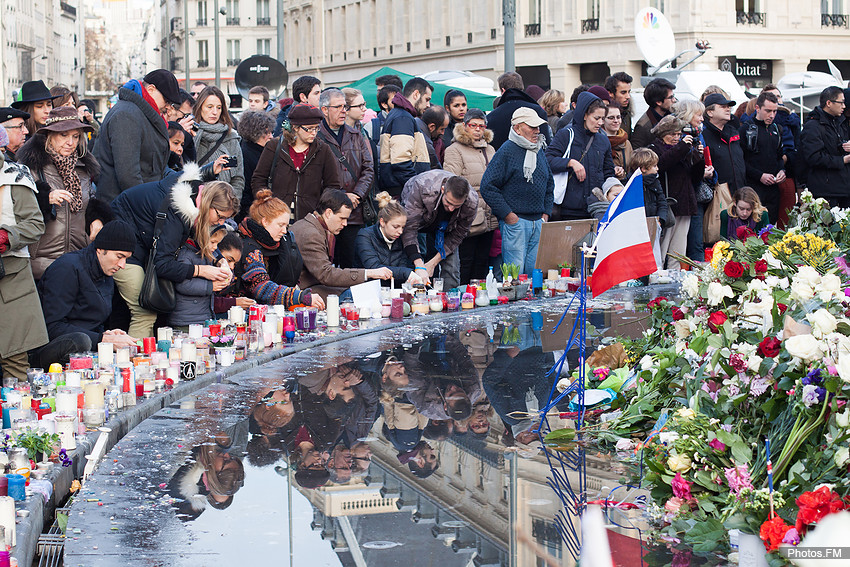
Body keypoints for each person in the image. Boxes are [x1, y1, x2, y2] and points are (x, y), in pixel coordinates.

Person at [110, 166, 235, 338]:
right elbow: (162, 264)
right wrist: (201, 270)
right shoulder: (178, 210)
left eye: (225, 219)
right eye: (220, 216)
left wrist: (220, 261)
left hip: (143, 242)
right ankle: (135, 361)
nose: (220, 222)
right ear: (208, 204)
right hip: (121, 246)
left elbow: (203, 240)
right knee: (144, 312)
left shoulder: (196, 196)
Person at [35, 220, 139, 368]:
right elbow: (51, 326)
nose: (122, 265)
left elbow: (93, 323)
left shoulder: (106, 273)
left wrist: (108, 335)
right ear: (100, 249)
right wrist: (103, 339)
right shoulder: (67, 268)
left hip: (86, 349)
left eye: (126, 259)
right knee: (81, 340)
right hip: (49, 351)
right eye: (119, 256)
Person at [17, 107, 99, 280]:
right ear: (49, 136)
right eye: (64, 135)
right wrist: (44, 199)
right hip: (42, 264)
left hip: (78, 261)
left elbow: (90, 201)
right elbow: (16, 209)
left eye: (75, 136)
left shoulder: (83, 169)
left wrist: (97, 219)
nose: (70, 142)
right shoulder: (31, 168)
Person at [481, 108, 553, 275]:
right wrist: (508, 215)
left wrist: (545, 214)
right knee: (515, 275)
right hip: (516, 222)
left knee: (535, 273)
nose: (537, 131)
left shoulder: (538, 149)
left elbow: (549, 184)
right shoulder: (507, 151)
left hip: (538, 222)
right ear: (517, 128)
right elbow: (488, 186)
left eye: (538, 127)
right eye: (532, 127)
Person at [93, 69, 181, 202]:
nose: (168, 107)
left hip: (133, 204)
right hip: (124, 207)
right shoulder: (127, 115)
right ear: (151, 89)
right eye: (167, 100)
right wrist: (147, 205)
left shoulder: (139, 113)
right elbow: (128, 175)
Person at [290, 189, 392, 300]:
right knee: (357, 296)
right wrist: (368, 273)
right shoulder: (311, 234)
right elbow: (326, 274)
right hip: (305, 291)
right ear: (328, 213)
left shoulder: (313, 226)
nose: (345, 224)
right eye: (342, 218)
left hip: (312, 286)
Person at [0, 151, 48, 380]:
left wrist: (7, 237)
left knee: (15, 358)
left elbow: (35, 224)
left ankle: (16, 413)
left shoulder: (13, 177)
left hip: (11, 279)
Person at [251, 104, 341, 221]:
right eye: (309, 129)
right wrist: (268, 203)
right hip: (276, 216)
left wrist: (320, 209)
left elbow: (333, 185)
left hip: (310, 219)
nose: (314, 133)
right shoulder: (274, 146)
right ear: (295, 127)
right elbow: (258, 179)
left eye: (316, 128)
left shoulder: (323, 150)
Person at [318, 88, 374, 269]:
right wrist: (341, 197)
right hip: (327, 212)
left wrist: (357, 195)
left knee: (353, 264)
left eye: (345, 106)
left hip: (354, 212)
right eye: (338, 107)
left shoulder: (356, 135)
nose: (344, 111)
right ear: (325, 110)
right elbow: (316, 175)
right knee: (328, 263)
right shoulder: (316, 136)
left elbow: (368, 169)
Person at [237, 189, 321, 308]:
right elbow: (262, 287)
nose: (284, 231)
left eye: (286, 226)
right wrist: (299, 296)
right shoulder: (250, 248)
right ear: (265, 221)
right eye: (280, 225)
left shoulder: (281, 242)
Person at [443, 108, 498, 283]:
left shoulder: (490, 149)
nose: (477, 129)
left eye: (481, 126)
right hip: (468, 216)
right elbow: (452, 181)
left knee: (482, 263)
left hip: (490, 215)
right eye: (473, 125)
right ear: (465, 126)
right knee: (466, 262)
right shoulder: (455, 150)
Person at [401, 171, 477, 289]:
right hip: (420, 217)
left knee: (452, 269)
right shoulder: (422, 187)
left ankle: (451, 300)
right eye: (448, 203)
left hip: (448, 227)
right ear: (443, 190)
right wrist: (419, 265)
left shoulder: (471, 202)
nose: (451, 208)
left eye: (456, 206)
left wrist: (433, 263)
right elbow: (409, 229)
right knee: (413, 262)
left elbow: (458, 236)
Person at [545, 92, 614, 221]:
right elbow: (547, 160)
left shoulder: (603, 140)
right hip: (569, 209)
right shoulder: (566, 135)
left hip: (597, 208)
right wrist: (570, 163)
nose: (600, 123)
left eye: (603, 119)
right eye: (596, 118)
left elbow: (608, 172)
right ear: (584, 115)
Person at [647, 115, 704, 269]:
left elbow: (696, 176)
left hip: (684, 203)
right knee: (661, 247)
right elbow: (663, 163)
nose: (676, 138)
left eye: (679, 134)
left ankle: (675, 277)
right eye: (672, 134)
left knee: (678, 250)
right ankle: (657, 276)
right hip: (667, 204)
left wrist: (699, 157)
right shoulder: (654, 148)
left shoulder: (682, 148)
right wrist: (682, 148)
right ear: (662, 133)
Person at [673, 99, 714, 262]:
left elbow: (703, 159)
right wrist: (699, 172)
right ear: (688, 115)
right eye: (699, 115)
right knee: (680, 244)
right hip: (682, 195)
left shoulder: (699, 134)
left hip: (696, 193)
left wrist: (710, 172)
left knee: (697, 242)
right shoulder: (678, 136)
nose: (702, 119)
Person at [378, 78, 433, 196]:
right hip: (403, 191)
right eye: (427, 99)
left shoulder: (400, 115)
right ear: (416, 94)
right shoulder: (403, 117)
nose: (428, 105)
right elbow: (401, 162)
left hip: (400, 189)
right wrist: (417, 187)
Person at [739, 91, 786, 225]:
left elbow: (779, 156)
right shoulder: (746, 129)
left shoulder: (777, 129)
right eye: (768, 111)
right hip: (753, 187)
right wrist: (759, 175)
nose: (771, 115)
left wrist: (782, 171)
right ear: (758, 108)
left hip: (773, 188)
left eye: (775, 111)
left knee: (770, 227)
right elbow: (741, 161)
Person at [169, 224, 228, 328]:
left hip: (203, 316)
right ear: (201, 238)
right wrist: (211, 286)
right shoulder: (186, 255)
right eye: (213, 242)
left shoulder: (206, 254)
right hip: (186, 320)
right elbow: (182, 284)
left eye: (217, 243)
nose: (215, 247)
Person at [354, 192, 419, 285]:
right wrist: (406, 273)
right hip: (368, 290)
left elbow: (404, 265)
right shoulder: (364, 236)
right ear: (382, 222)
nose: (400, 231)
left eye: (403, 227)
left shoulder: (402, 238)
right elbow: (375, 268)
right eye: (396, 227)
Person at [800, 86, 850, 207]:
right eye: (841, 102)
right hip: (825, 191)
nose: (844, 106)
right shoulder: (813, 126)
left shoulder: (840, 122)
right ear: (829, 103)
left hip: (843, 188)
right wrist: (842, 160)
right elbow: (813, 157)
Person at [193, 86, 244, 203]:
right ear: (200, 107)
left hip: (224, 206)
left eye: (219, 107)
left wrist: (231, 204)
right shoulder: (191, 134)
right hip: (194, 206)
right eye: (209, 107)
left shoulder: (231, 136)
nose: (214, 112)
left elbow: (238, 178)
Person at [487, 72, 551, 150]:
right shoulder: (538, 111)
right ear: (522, 87)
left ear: (503, 91)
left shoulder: (491, 117)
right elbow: (546, 145)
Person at [702, 92, 747, 194]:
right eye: (723, 107)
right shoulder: (703, 135)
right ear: (710, 112)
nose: (728, 109)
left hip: (739, 192)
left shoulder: (734, 132)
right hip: (717, 195)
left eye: (729, 107)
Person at [236, 110, 275, 220]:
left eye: (271, 132)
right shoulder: (247, 154)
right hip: (252, 213)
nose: (271, 136)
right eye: (266, 133)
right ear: (255, 133)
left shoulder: (262, 150)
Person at [631, 78, 676, 149]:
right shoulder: (643, 127)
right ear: (658, 102)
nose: (674, 100)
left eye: (674, 96)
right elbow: (636, 154)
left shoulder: (674, 115)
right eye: (671, 97)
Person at [602, 104, 633, 182]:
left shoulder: (626, 142)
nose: (616, 121)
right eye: (611, 118)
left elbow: (632, 166)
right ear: (603, 120)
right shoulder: (598, 142)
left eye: (618, 117)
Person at [605, 71, 634, 135]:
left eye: (629, 92)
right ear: (610, 93)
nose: (628, 96)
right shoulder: (602, 115)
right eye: (623, 92)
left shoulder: (627, 113)